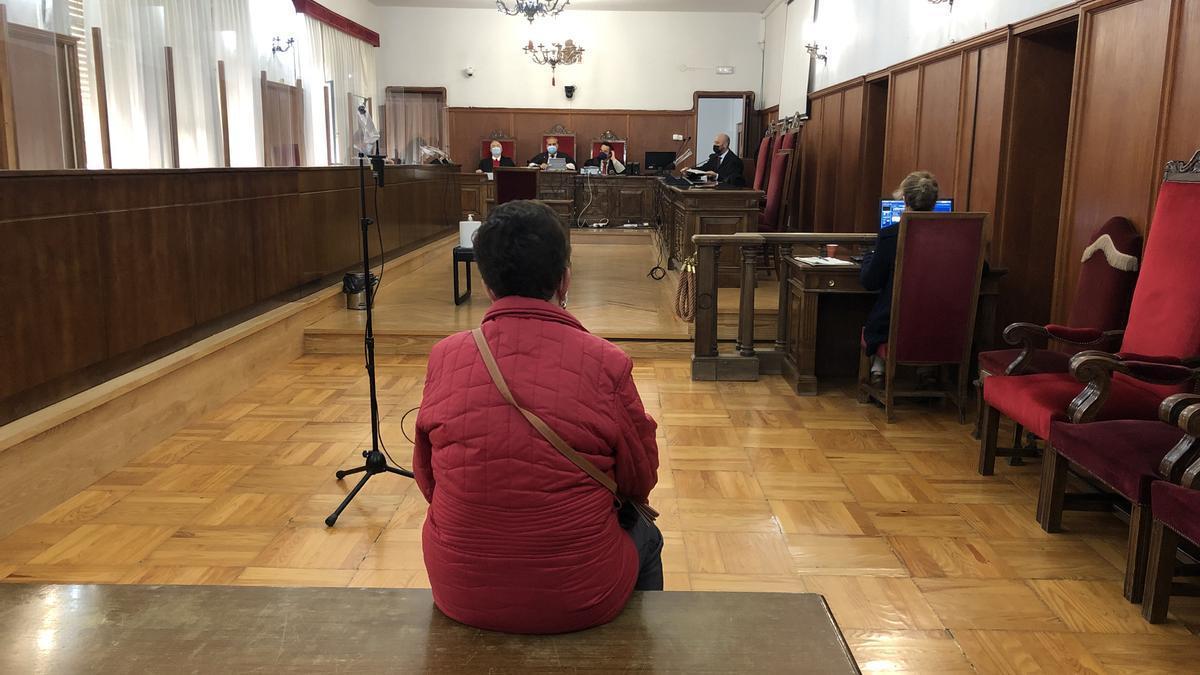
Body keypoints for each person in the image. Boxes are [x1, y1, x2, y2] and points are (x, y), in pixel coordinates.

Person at [413, 200, 662, 635]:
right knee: (648, 537)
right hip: (582, 593)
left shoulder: (444, 356)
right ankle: (639, 649)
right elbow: (639, 479)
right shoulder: (607, 362)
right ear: (565, 278)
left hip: (460, 587)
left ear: (487, 283)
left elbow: (428, 479)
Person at [860, 171, 939, 384]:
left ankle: (878, 371)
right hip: (941, 327)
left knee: (886, 312)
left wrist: (869, 258)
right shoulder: (956, 235)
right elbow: (983, 269)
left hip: (895, 324)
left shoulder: (892, 234)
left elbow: (870, 282)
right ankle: (926, 372)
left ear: (904, 199)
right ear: (934, 202)